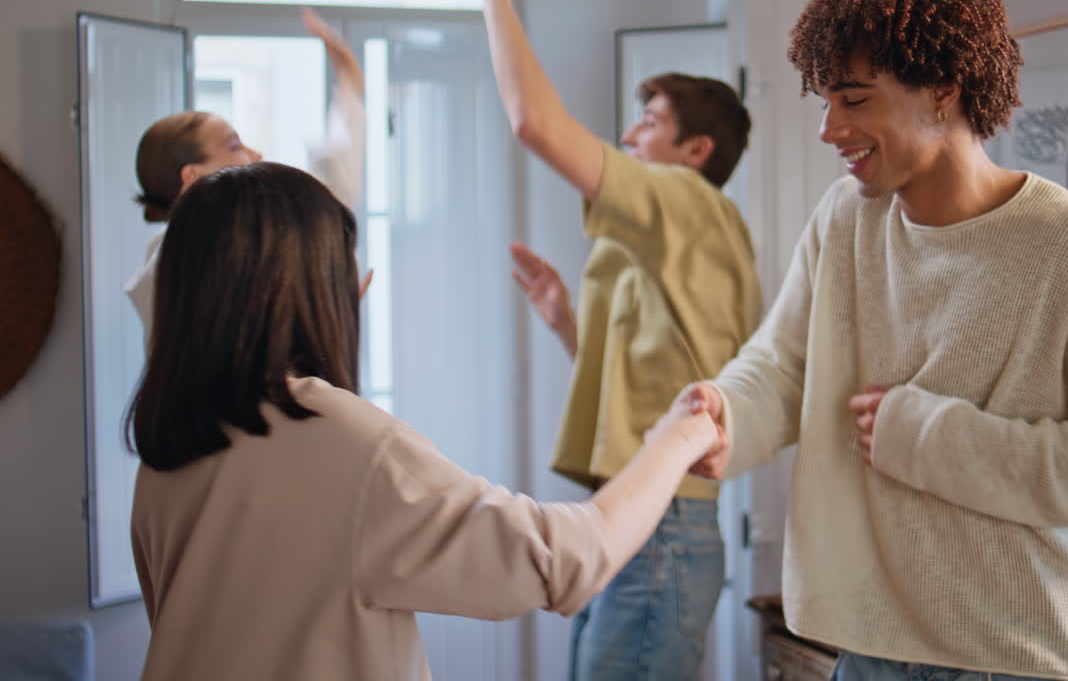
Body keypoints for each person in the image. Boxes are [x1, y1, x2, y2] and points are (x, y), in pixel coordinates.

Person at [671, 0, 1068, 680]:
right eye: (825, 101)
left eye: (853, 99)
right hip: (871, 645)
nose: (829, 129)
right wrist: (726, 412)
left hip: (1022, 658)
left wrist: (929, 437)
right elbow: (786, 364)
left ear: (943, 92)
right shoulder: (846, 219)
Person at [128, 162, 727, 681]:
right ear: (318, 288)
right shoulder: (344, 444)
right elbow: (564, 559)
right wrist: (677, 436)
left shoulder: (170, 444)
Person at [480, 0, 763, 678]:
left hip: (663, 531)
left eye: (652, 120)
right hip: (640, 520)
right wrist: (565, 320)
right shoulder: (679, 231)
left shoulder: (686, 199)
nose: (631, 132)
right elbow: (653, 376)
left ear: (695, 152)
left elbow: (534, 124)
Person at [125, 9, 367, 341]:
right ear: (193, 177)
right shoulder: (181, 267)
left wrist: (350, 85)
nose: (256, 156)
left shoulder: (218, 246)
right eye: (235, 145)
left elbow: (323, 202)